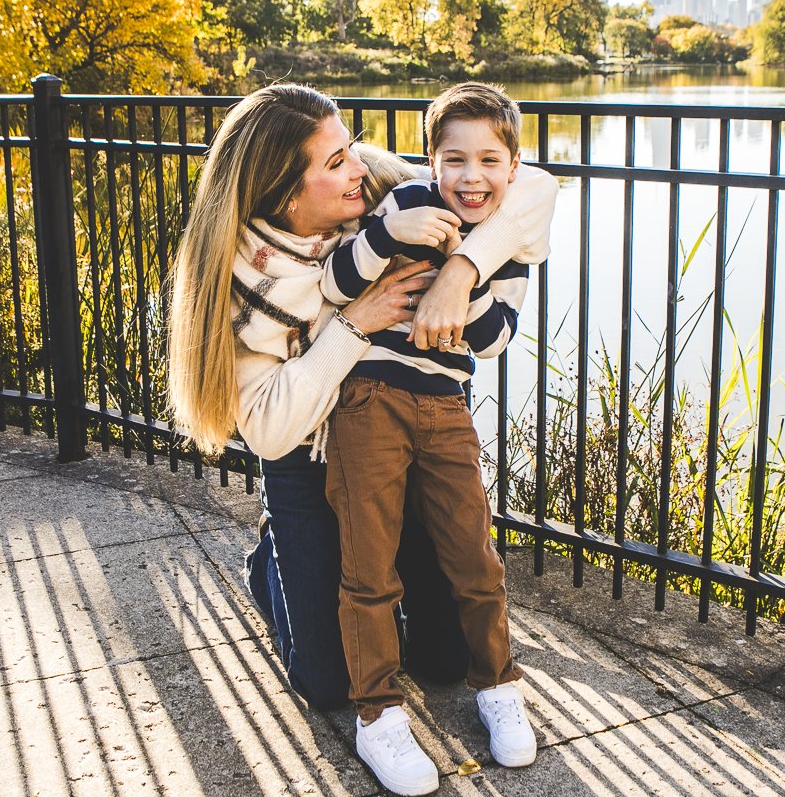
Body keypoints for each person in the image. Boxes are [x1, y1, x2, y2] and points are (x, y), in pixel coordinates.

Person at [165, 81, 556, 751]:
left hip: (394, 439)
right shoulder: (242, 276)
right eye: (337, 162)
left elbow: (536, 187)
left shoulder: (373, 188)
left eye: (350, 151)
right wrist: (352, 324)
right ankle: (277, 560)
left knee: (442, 660)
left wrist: (463, 269)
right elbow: (268, 429)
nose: (360, 168)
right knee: (328, 684)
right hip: (305, 457)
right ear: (288, 193)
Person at [320, 83, 538, 796]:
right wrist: (389, 237)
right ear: (432, 161)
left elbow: (493, 337)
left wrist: (462, 270)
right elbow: (335, 279)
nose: (471, 177)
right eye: (454, 159)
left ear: (513, 166)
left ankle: (499, 686)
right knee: (369, 565)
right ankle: (377, 713)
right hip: (370, 397)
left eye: (488, 160)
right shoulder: (408, 203)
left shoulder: (509, 242)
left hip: (446, 405)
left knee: (474, 554)